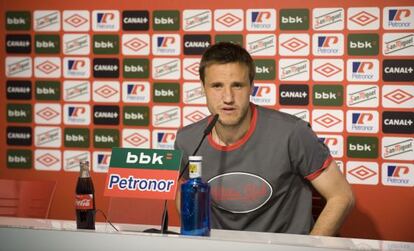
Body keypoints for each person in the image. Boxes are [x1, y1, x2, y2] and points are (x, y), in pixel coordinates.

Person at [174, 42, 354, 236]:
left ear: (252, 86)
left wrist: (309, 249)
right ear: (203, 88)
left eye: (238, 85)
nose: (228, 98)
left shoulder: (292, 133)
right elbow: (183, 198)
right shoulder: (188, 139)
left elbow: (342, 196)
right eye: (217, 86)